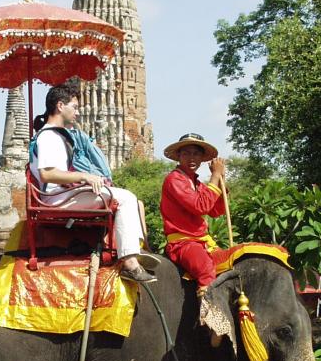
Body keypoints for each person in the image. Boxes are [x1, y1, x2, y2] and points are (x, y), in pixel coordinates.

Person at [30, 83, 156, 283]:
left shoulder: (58, 135)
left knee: (121, 195)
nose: (78, 113)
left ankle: (134, 249)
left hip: (63, 194)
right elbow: (47, 174)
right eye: (75, 106)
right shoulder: (48, 136)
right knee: (126, 198)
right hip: (57, 199)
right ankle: (130, 262)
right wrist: (85, 177)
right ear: (60, 106)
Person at [160, 132, 227, 297]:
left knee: (229, 263)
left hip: (203, 241)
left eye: (196, 153)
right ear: (178, 157)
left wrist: (221, 181)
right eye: (186, 153)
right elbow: (201, 206)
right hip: (182, 243)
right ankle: (209, 319)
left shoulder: (198, 184)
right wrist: (215, 175)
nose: (191, 158)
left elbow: (216, 211)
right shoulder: (174, 179)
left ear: (202, 158)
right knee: (206, 270)